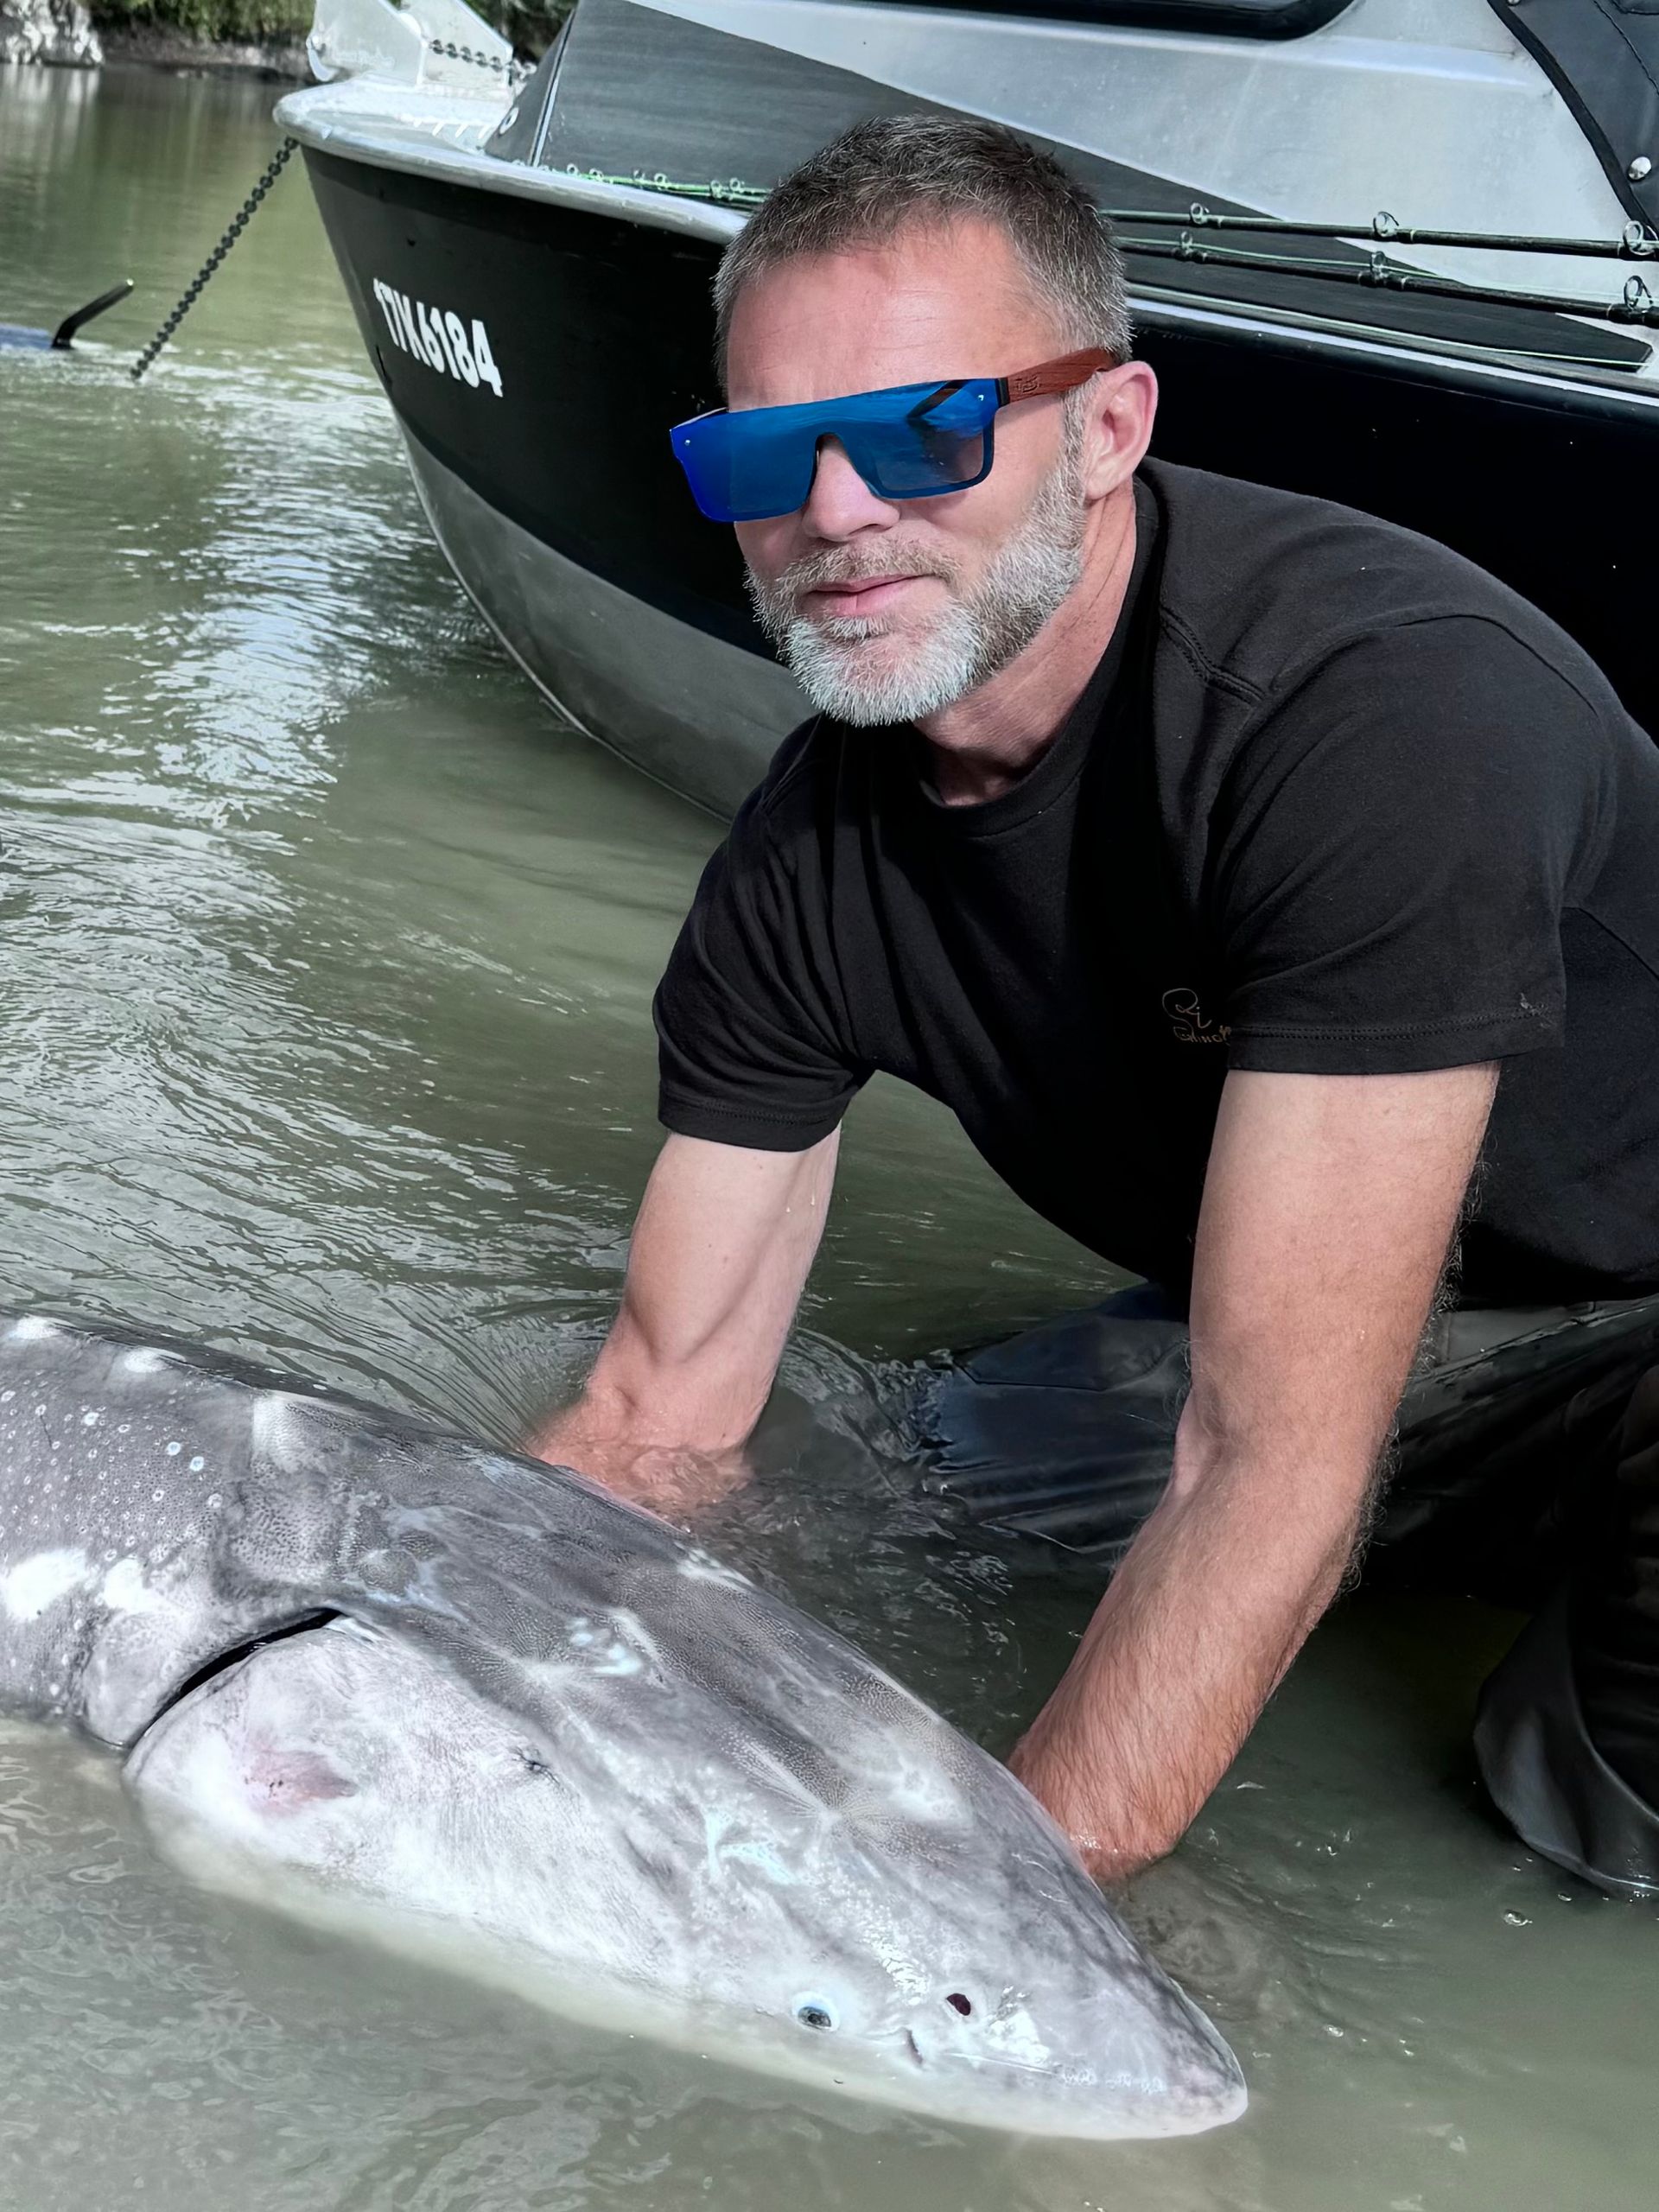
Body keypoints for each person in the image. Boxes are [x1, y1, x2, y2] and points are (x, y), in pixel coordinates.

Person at [531, 116, 1659, 1897]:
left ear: (1108, 431)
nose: (839, 512)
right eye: (769, 450)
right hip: (1358, 1313)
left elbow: (1263, 1454)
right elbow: (656, 1413)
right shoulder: (796, 872)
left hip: (1630, 1304)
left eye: (926, 428)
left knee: (1546, 1817)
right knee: (923, 1499)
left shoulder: (1379, 713)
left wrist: (980, 1922)